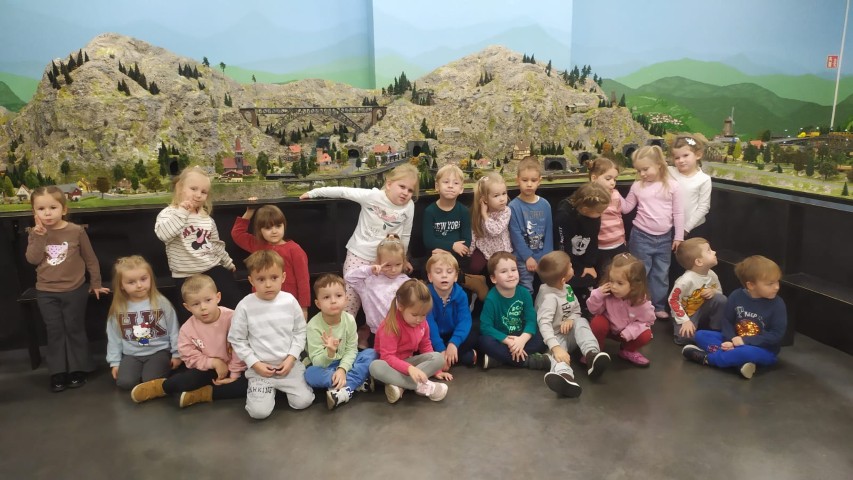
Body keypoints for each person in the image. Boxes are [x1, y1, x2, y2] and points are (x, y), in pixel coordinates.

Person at [300, 163, 417, 345]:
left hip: (385, 261)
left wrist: (403, 258)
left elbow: (406, 234)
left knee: (380, 301)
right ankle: (339, 341)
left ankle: (366, 334)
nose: (405, 193)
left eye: (410, 190)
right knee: (350, 301)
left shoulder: (409, 206)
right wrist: (314, 193)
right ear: (389, 184)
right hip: (359, 256)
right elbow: (343, 192)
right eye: (402, 186)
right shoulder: (372, 197)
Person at [26, 186, 110, 392]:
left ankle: (78, 368)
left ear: (63, 209)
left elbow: (90, 259)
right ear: (34, 212)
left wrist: (96, 283)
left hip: (74, 290)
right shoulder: (35, 233)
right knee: (55, 331)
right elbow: (33, 259)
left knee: (74, 328)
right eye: (41, 209)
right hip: (46, 291)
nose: (47, 213)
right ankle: (58, 371)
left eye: (53, 207)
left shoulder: (75, 231)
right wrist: (39, 237)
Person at [129, 274, 248, 408]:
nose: (203, 307)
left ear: (218, 297)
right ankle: (162, 386)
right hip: (208, 368)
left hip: (239, 366)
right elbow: (189, 356)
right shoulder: (187, 329)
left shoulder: (233, 318)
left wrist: (234, 374)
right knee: (188, 380)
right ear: (187, 307)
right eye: (196, 304)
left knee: (252, 385)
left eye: (208, 300)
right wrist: (213, 363)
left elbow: (241, 345)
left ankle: (201, 395)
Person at [228, 250, 314, 420]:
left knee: (303, 402)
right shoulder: (245, 306)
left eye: (274, 278)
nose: (268, 284)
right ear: (251, 280)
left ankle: (281, 389)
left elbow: (300, 331)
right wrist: (255, 364)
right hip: (260, 370)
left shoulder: (290, 301)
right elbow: (237, 339)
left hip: (289, 366)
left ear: (283, 277)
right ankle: (266, 392)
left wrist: (291, 358)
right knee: (258, 412)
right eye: (261, 279)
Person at [682, 255, 787, 379]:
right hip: (734, 341)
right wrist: (730, 340)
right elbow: (727, 321)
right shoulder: (736, 296)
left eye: (777, 281)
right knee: (701, 335)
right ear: (751, 285)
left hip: (763, 349)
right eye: (770, 284)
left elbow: (776, 335)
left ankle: (707, 359)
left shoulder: (778, 304)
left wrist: (744, 341)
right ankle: (738, 363)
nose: (777, 287)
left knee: (745, 352)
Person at [154, 166, 239, 310]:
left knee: (234, 304)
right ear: (180, 188)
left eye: (203, 192)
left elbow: (216, 245)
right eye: (193, 189)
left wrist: (228, 262)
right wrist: (182, 212)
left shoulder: (206, 219)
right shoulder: (168, 214)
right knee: (193, 313)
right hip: (185, 275)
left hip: (212, 269)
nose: (198, 195)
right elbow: (164, 235)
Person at [535, 251, 611, 397]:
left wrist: (571, 319)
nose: (572, 266)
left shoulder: (567, 288)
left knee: (581, 321)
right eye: (570, 266)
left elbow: (577, 310)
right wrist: (556, 348)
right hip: (554, 339)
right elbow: (543, 324)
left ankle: (591, 355)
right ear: (563, 279)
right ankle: (564, 377)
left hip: (570, 334)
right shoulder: (549, 298)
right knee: (557, 355)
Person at [622, 146, 684, 319]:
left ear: (659, 164)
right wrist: (612, 192)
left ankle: (657, 306)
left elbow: (678, 213)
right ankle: (636, 305)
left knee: (660, 274)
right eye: (638, 170)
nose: (642, 174)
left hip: (665, 238)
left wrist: (679, 236)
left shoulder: (673, 186)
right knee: (640, 273)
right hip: (641, 236)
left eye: (645, 169)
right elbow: (626, 208)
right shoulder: (637, 186)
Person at [105, 255, 181, 390]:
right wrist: (115, 362)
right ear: (121, 285)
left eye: (143, 279)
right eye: (131, 282)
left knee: (150, 381)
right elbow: (114, 337)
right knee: (125, 383)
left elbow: (174, 329)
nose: (139, 285)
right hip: (132, 354)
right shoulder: (119, 308)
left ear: (150, 278)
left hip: (158, 351)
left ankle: (151, 374)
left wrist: (177, 354)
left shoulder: (161, 302)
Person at [304, 274, 378, 410]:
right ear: (318, 304)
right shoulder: (313, 326)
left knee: (371, 353)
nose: (333, 301)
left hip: (347, 362)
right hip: (326, 367)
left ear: (346, 299)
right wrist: (330, 353)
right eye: (326, 297)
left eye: (338, 296)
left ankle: (344, 387)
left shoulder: (349, 320)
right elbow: (316, 361)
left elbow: (351, 349)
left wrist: (342, 369)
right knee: (309, 374)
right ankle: (355, 383)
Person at [368, 279, 449, 404]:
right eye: (415, 315)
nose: (419, 319)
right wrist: (410, 369)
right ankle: (422, 385)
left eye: (424, 315)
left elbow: (426, 346)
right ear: (400, 306)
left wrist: (436, 371)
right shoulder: (390, 326)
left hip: (408, 364)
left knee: (439, 358)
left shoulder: (422, 323)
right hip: (390, 367)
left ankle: (401, 386)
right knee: (375, 367)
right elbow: (387, 357)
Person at [232, 202, 310, 319]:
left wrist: (303, 308)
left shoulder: (295, 250)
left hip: (287, 306)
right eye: (268, 228)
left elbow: (303, 281)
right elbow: (237, 234)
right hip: (261, 305)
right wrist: (249, 212)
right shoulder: (257, 244)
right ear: (260, 230)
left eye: (278, 226)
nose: (274, 231)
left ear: (284, 225)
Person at [478, 251, 549, 370]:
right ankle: (528, 361)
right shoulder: (491, 298)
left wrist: (522, 340)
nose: (510, 274)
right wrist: (508, 341)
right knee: (484, 341)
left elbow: (531, 320)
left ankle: (499, 359)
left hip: (521, 336)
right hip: (502, 339)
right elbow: (485, 327)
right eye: (504, 271)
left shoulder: (524, 293)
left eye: (514, 270)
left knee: (541, 337)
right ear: (494, 278)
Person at [587, 253, 655, 366]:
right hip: (608, 329)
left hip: (626, 334)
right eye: (611, 281)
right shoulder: (606, 294)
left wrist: (630, 332)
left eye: (620, 283)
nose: (613, 286)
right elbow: (593, 310)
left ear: (634, 285)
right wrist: (597, 295)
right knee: (598, 322)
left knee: (646, 334)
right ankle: (595, 351)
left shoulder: (642, 303)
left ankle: (627, 351)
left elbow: (647, 322)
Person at [345, 234, 411, 348]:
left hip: (402, 334)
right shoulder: (369, 282)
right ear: (378, 261)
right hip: (376, 334)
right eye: (388, 265)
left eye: (398, 264)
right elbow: (349, 277)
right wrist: (369, 270)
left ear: (403, 262)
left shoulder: (407, 282)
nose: (393, 269)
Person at [554, 181, 611, 313]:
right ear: (585, 210)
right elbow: (562, 244)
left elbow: (593, 240)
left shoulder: (594, 215)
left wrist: (589, 264)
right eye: (599, 212)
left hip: (585, 256)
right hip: (568, 258)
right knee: (571, 279)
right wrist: (572, 266)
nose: (601, 214)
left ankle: (587, 306)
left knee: (592, 276)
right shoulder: (564, 215)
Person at [422, 164, 480, 291]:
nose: (450, 186)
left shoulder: (463, 211)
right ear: (437, 186)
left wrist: (450, 252)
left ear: (461, 189)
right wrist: (452, 246)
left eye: (455, 183)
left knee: (460, 275)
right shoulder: (430, 211)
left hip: (457, 255)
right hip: (435, 254)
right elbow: (429, 241)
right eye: (446, 182)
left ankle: (470, 285)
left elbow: (467, 240)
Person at [667, 238, 726, 345]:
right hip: (687, 314)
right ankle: (702, 337)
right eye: (709, 251)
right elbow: (673, 300)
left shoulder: (712, 274)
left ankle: (716, 331)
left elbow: (719, 292)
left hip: (702, 311)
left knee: (721, 299)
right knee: (683, 338)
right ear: (699, 262)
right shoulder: (685, 281)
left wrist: (713, 291)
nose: (714, 252)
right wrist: (685, 321)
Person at [425, 252, 477, 373]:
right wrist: (440, 349)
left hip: (452, 334)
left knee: (474, 333)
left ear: (455, 277)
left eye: (449, 272)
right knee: (419, 342)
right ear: (430, 277)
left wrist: (454, 343)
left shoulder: (461, 295)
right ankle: (460, 357)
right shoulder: (426, 296)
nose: (444, 276)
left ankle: (445, 359)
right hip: (433, 337)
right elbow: (429, 324)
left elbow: (464, 320)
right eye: (438, 272)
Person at [509, 156, 553, 295]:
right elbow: (515, 235)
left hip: (543, 256)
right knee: (526, 289)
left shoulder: (545, 204)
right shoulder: (513, 206)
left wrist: (546, 257)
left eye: (533, 180)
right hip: (523, 259)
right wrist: (528, 257)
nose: (529, 184)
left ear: (539, 181)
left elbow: (549, 232)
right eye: (525, 180)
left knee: (548, 288)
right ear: (517, 180)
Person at [468, 172, 511, 300]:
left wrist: (485, 215)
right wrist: (470, 250)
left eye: (504, 193)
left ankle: (500, 298)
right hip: (484, 250)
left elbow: (495, 230)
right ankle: (476, 290)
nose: (502, 199)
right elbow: (474, 232)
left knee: (499, 275)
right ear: (485, 199)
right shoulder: (477, 213)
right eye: (496, 196)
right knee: (473, 267)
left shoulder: (506, 211)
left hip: (501, 252)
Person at [668, 133, 711, 240]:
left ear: (698, 155)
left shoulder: (704, 179)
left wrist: (686, 228)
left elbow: (703, 207)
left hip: (694, 229)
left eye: (685, 155)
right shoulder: (669, 171)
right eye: (677, 157)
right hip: (671, 226)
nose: (681, 160)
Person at [589, 157, 627, 274]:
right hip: (601, 247)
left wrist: (623, 238)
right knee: (604, 276)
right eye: (608, 178)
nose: (612, 182)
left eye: (615, 179)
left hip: (619, 244)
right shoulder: (590, 196)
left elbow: (619, 215)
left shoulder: (616, 194)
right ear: (594, 178)